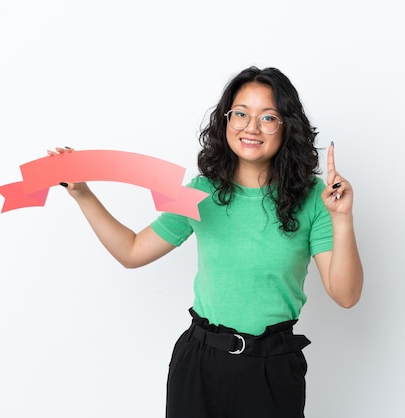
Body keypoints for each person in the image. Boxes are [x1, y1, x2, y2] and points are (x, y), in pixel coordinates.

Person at [48, 66, 363, 418]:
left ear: (287, 125)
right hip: (200, 366)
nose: (251, 127)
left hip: (272, 369)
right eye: (241, 114)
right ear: (225, 120)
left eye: (268, 117)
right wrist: (83, 195)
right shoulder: (200, 191)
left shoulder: (315, 199)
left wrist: (342, 218)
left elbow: (345, 294)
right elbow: (132, 251)